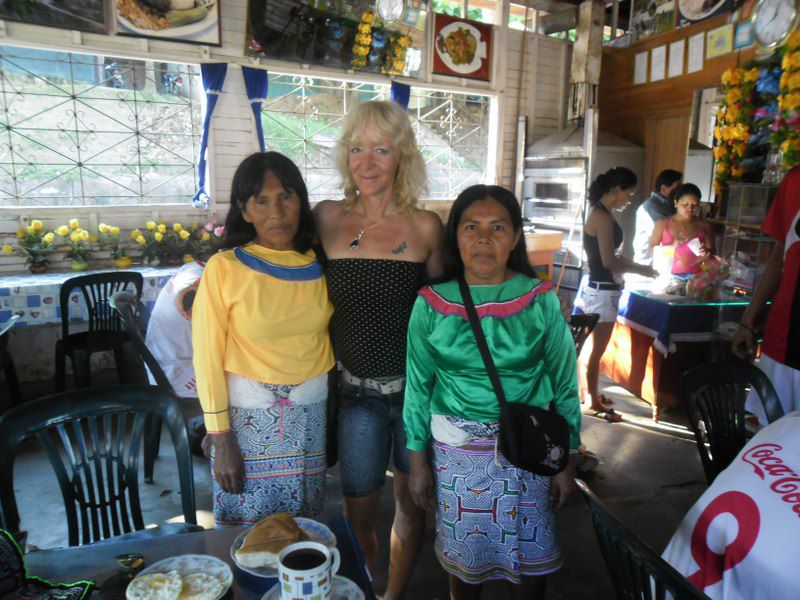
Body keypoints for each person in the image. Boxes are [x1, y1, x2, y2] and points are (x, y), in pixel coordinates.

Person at [404, 185, 581, 600]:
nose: (484, 238)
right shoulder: (431, 304)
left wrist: (567, 457)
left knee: (532, 558)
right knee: (467, 564)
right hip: (458, 454)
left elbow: (565, 384)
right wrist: (417, 463)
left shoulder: (540, 300)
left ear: (515, 237)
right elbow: (417, 388)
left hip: (528, 448)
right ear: (456, 236)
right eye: (472, 227)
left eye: (497, 227)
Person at [314, 100, 443, 599]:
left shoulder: (425, 226)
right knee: (358, 516)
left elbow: (443, 313)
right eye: (356, 149)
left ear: (402, 156)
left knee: (412, 506)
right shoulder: (326, 218)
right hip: (356, 394)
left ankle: (394, 595)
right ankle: (366, 590)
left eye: (381, 150)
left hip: (415, 397)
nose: (366, 163)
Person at [193, 152, 335, 527]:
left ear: (301, 201)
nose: (277, 212)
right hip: (247, 423)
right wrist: (219, 436)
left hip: (310, 416)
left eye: (286, 197)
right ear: (244, 210)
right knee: (249, 532)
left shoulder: (320, 264)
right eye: (262, 201)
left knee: (301, 527)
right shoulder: (225, 268)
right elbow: (206, 357)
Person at [575, 167, 657, 421]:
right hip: (602, 292)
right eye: (629, 194)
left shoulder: (602, 214)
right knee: (596, 349)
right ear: (617, 189)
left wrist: (639, 268)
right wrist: (642, 270)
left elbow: (613, 257)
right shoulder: (602, 217)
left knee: (591, 346)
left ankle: (587, 392)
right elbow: (609, 261)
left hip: (600, 288)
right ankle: (592, 402)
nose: (629, 199)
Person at [733, 167, 800, 423]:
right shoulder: (794, 182)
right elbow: (777, 258)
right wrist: (747, 321)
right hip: (784, 339)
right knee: (774, 435)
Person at [648, 183, 714, 275]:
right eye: (685, 204)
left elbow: (712, 255)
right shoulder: (663, 224)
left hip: (696, 278)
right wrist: (672, 245)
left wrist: (706, 252)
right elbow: (651, 252)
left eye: (695, 205)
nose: (690, 208)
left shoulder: (704, 225)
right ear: (676, 202)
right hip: (669, 276)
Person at [633, 169, 683, 265]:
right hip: (648, 264)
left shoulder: (669, 205)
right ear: (663, 189)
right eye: (677, 189)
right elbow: (665, 236)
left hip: (666, 259)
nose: (680, 193)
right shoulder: (651, 207)